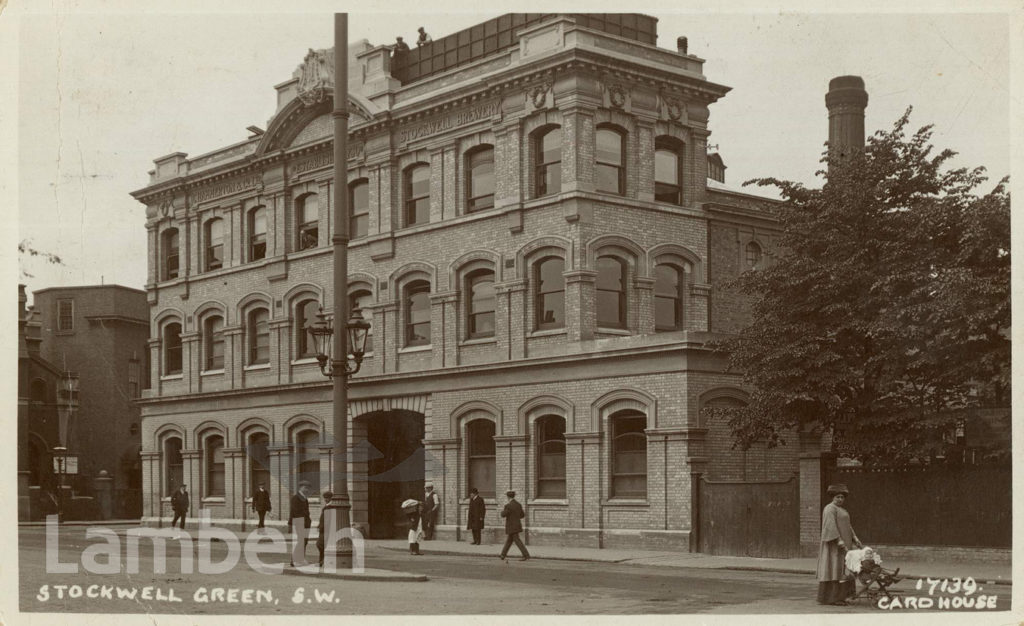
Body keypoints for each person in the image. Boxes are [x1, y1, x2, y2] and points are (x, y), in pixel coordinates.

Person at [817, 483, 862, 605]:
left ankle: (844, 596)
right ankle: (833, 598)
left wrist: (855, 539)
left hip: (846, 544)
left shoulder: (842, 510)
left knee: (845, 570)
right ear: (832, 497)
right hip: (834, 545)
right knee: (835, 569)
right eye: (838, 497)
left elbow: (848, 526)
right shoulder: (829, 509)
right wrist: (839, 541)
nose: (840, 499)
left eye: (842, 497)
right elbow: (830, 527)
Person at [499, 490, 529, 561]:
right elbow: (522, 515)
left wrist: (503, 511)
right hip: (517, 525)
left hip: (511, 526)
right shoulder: (518, 504)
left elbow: (503, 515)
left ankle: (526, 555)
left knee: (517, 541)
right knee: (509, 540)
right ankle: (502, 555)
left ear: (508, 497)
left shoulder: (508, 506)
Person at [289, 481, 312, 566]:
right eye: (305, 488)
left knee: (304, 541)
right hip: (299, 522)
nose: (307, 490)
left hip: (305, 523)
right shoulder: (295, 498)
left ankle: (301, 559)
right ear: (301, 488)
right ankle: (294, 560)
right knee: (301, 541)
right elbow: (296, 512)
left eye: (308, 488)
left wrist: (308, 520)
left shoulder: (305, 498)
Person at [315, 491, 334, 566]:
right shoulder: (327, 506)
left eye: (327, 498)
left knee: (320, 544)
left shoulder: (329, 507)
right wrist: (319, 526)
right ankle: (321, 560)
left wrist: (321, 527)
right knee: (322, 545)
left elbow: (327, 520)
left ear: (330, 498)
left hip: (326, 530)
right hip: (323, 529)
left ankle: (322, 560)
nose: (326, 499)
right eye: (325, 498)